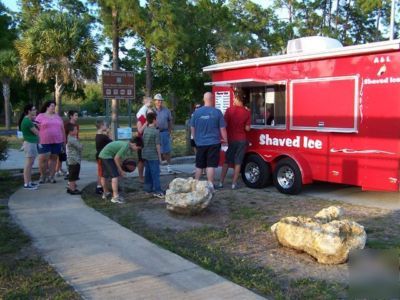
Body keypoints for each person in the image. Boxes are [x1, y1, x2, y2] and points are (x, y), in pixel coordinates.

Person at [190, 92, 227, 192]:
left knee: (199, 165)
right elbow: (222, 129)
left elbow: (192, 127)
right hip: (214, 143)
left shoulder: (196, 113)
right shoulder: (217, 112)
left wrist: (195, 138)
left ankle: (195, 185)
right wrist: (226, 141)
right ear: (212, 99)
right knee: (210, 165)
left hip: (200, 143)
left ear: (204, 99)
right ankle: (210, 186)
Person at [218, 92, 251, 189]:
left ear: (237, 100)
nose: (233, 101)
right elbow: (248, 129)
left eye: (234, 99)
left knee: (226, 161)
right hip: (242, 140)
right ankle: (233, 184)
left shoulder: (229, 110)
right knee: (238, 162)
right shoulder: (247, 112)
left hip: (231, 139)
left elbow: (224, 125)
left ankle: (220, 182)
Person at [99, 137, 141, 204]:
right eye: (138, 148)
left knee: (104, 176)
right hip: (107, 157)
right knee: (115, 176)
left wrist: (120, 167)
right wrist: (120, 170)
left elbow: (119, 157)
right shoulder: (126, 146)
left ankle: (106, 193)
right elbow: (116, 158)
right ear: (134, 144)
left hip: (103, 155)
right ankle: (115, 197)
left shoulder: (126, 144)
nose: (137, 150)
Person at [35, 100, 65, 184]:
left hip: (57, 141)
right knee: (43, 159)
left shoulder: (57, 117)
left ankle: (51, 177)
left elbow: (62, 129)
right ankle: (42, 176)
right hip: (43, 141)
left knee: (53, 159)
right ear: (47, 107)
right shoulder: (40, 116)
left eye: (54, 106)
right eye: (52, 106)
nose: (53, 107)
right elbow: (35, 128)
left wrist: (64, 141)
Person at [142, 112, 164, 198]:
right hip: (153, 155)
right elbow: (157, 145)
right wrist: (160, 158)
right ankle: (157, 190)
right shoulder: (156, 131)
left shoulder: (145, 130)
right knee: (155, 173)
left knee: (148, 173)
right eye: (156, 119)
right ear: (154, 120)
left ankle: (147, 189)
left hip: (146, 154)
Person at [18, 104, 40, 190]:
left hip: (31, 143)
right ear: (29, 111)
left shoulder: (29, 120)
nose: (35, 110)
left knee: (30, 164)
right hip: (29, 144)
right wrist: (38, 127)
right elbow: (37, 132)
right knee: (28, 164)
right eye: (33, 109)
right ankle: (26, 184)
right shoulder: (27, 121)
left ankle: (29, 182)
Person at [153, 93, 173, 173]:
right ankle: (159, 167)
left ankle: (169, 167)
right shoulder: (152, 110)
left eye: (161, 100)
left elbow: (170, 121)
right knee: (157, 150)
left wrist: (169, 131)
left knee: (167, 150)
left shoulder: (167, 110)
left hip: (165, 132)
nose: (160, 102)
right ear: (155, 101)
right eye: (158, 100)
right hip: (156, 132)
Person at [57, 110, 80, 178]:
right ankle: (68, 172)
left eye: (77, 115)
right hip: (67, 144)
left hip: (75, 143)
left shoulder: (77, 125)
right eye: (75, 115)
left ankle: (74, 173)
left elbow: (77, 135)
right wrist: (63, 143)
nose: (77, 117)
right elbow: (63, 134)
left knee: (75, 158)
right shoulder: (66, 125)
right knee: (68, 158)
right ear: (71, 116)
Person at [136, 96, 152, 183]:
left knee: (148, 158)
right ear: (146, 102)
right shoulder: (142, 114)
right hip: (141, 139)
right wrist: (147, 122)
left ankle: (148, 176)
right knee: (141, 159)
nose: (151, 103)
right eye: (150, 101)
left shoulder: (147, 111)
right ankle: (141, 177)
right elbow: (140, 130)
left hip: (148, 138)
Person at [95, 119, 112, 194]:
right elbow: (112, 142)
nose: (107, 126)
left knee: (100, 172)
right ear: (101, 126)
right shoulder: (102, 136)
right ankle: (100, 187)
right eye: (105, 125)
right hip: (102, 157)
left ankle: (100, 186)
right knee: (102, 173)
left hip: (99, 156)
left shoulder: (98, 135)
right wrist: (109, 133)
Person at [66, 123, 83, 195]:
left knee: (74, 174)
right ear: (70, 131)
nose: (77, 131)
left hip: (75, 159)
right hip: (74, 160)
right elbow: (80, 147)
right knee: (73, 175)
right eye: (75, 130)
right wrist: (82, 145)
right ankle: (72, 189)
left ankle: (71, 187)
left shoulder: (72, 137)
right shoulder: (72, 139)